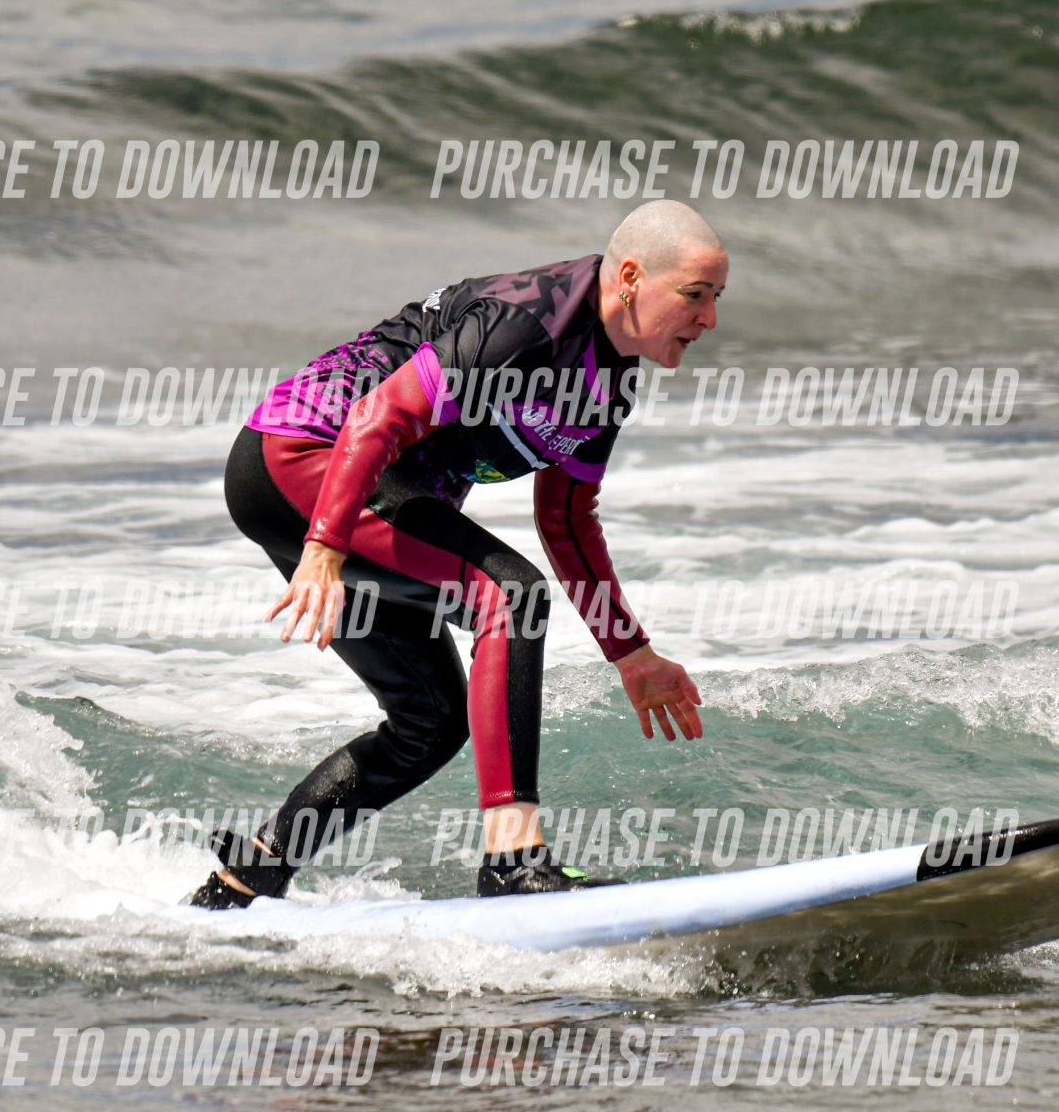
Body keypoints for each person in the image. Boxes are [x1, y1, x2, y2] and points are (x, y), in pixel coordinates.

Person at [187, 199, 722, 908]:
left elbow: (566, 518)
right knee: (509, 596)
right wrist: (324, 545)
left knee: (431, 720)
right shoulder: (526, 324)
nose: (709, 318)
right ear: (631, 277)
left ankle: (248, 878)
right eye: (696, 294)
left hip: (349, 494)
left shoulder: (608, 382)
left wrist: (630, 653)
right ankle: (513, 862)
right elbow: (379, 414)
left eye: (716, 299)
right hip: (303, 458)